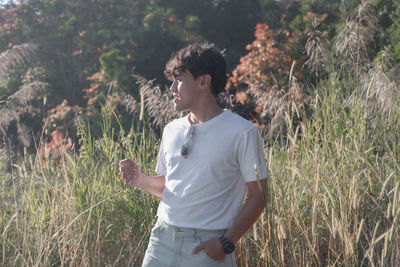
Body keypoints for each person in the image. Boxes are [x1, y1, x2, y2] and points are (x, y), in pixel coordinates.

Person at [120, 42, 268, 267]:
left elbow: (259, 196)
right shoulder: (172, 130)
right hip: (161, 240)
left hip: (208, 246)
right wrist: (139, 179)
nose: (171, 88)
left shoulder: (243, 132)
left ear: (203, 81)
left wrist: (226, 243)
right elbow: (172, 187)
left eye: (178, 80)